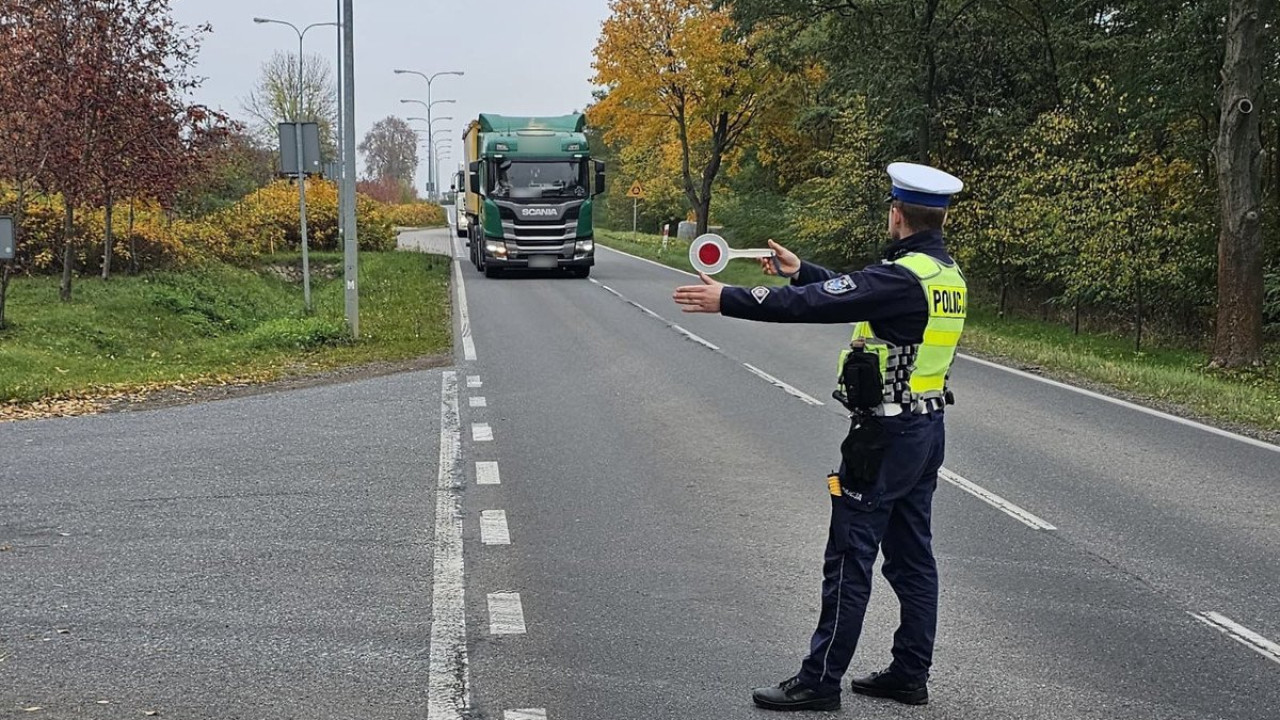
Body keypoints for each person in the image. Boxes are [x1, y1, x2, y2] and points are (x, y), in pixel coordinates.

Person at [672, 162, 968, 712]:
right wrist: (802, 268)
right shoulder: (941, 276)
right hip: (926, 430)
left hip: (884, 437)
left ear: (897, 214)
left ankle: (818, 681)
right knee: (912, 558)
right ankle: (910, 673)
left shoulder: (901, 278)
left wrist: (730, 299)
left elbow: (818, 304)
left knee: (849, 558)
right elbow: (849, 294)